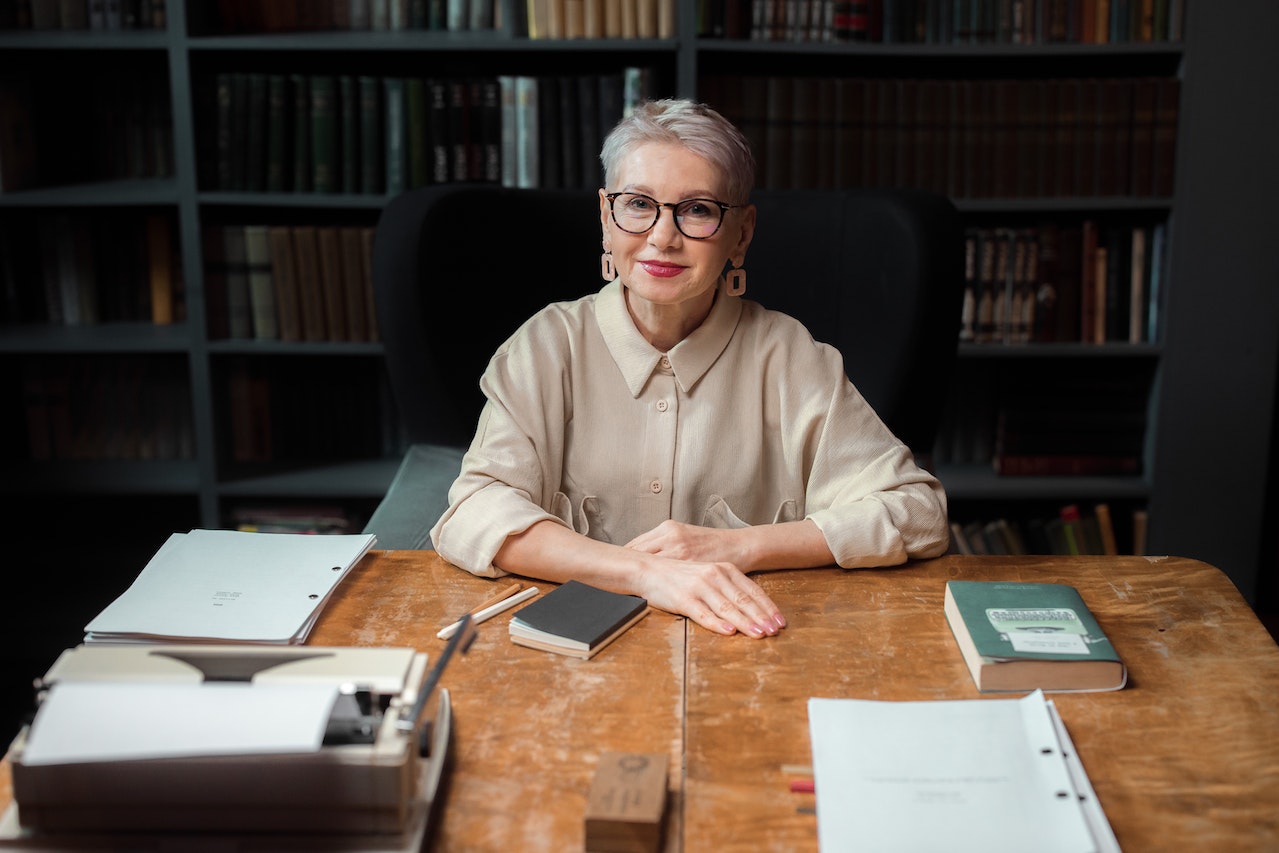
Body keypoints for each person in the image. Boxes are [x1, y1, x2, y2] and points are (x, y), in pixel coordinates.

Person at [431, 98, 949, 638]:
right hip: (574, 651)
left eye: (697, 209)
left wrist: (736, 546)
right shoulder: (546, 345)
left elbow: (916, 513)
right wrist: (644, 573)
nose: (662, 236)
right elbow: (475, 511)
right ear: (606, 218)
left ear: (741, 234)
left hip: (751, 648)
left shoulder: (789, 355)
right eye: (638, 204)